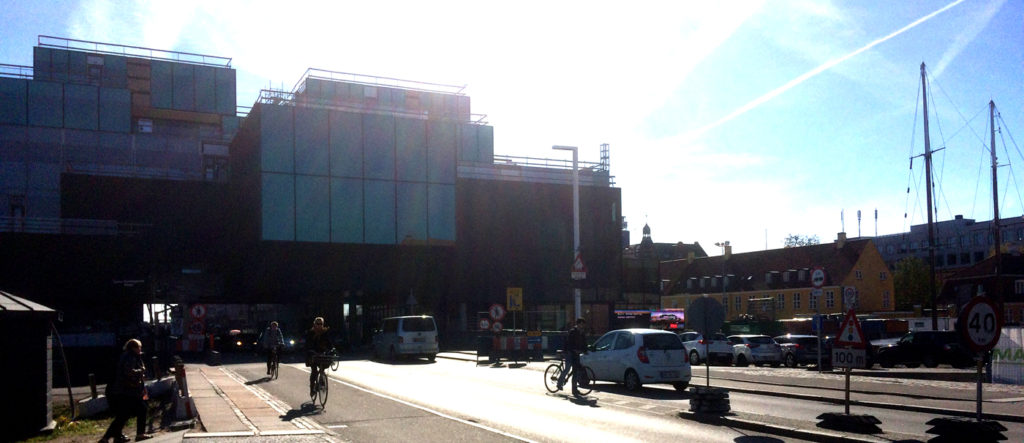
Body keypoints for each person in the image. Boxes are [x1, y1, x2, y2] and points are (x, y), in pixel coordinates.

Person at [101, 339, 153, 442]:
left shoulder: (127, 356)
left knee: (124, 414)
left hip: (125, 390)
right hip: (127, 391)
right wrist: (141, 371)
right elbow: (129, 372)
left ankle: (113, 437)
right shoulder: (131, 357)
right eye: (139, 347)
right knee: (140, 409)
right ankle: (139, 434)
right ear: (134, 347)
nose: (140, 349)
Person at [557, 318, 588, 397]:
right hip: (569, 353)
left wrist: (585, 350)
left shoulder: (582, 333)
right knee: (568, 368)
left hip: (576, 354)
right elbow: (569, 343)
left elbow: (584, 343)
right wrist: (573, 350)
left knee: (576, 371)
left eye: (583, 324)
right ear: (578, 324)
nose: (583, 325)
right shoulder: (572, 331)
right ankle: (559, 383)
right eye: (581, 324)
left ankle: (574, 389)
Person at [304, 317, 333, 395]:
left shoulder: (325, 332)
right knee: (314, 371)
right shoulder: (310, 333)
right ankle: (312, 388)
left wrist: (332, 349)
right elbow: (307, 344)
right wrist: (311, 351)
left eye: (321, 324)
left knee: (323, 366)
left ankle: (321, 380)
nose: (319, 325)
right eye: (318, 324)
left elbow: (329, 342)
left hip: (322, 354)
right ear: (314, 324)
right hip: (313, 354)